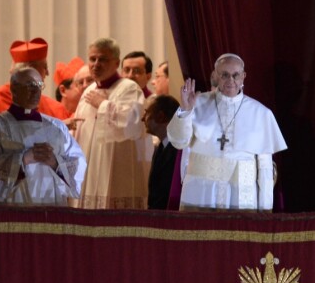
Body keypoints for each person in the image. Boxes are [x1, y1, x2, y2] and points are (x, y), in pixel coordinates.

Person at [167, 53, 287, 211]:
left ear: (243, 77)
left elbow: (265, 169)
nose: (231, 80)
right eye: (224, 75)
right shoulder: (197, 103)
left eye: (236, 75)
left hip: (242, 194)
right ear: (215, 76)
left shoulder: (261, 113)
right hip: (200, 192)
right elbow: (179, 142)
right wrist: (185, 111)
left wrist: (265, 210)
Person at [0, 67, 86, 206]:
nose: (36, 91)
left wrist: (55, 162)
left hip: (49, 206)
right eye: (30, 85)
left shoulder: (57, 127)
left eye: (39, 86)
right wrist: (24, 159)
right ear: (14, 89)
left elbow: (78, 164)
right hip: (11, 209)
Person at [73, 37, 148, 209]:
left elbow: (133, 126)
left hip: (116, 170)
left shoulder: (129, 88)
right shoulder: (89, 91)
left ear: (116, 63)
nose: (96, 64)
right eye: (92, 59)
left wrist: (103, 105)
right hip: (88, 171)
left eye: (103, 59)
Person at [0, 38, 69, 120]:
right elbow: (19, 128)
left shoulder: (52, 106)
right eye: (44, 67)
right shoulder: (2, 96)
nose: (47, 73)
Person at [143, 95, 180, 209]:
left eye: (147, 113)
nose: (142, 118)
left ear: (160, 116)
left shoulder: (178, 150)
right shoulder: (161, 146)